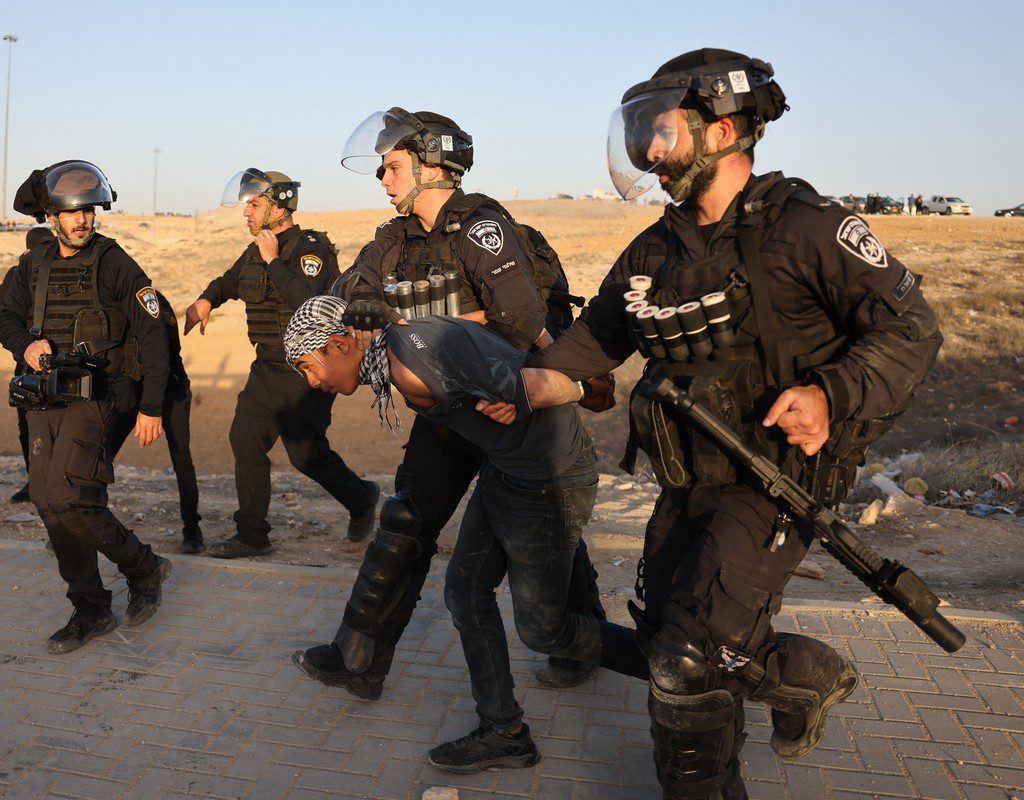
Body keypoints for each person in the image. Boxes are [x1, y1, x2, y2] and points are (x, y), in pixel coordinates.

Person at [509, 49, 943, 798]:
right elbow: (584, 355)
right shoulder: (652, 250)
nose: (648, 150)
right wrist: (514, 389)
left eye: (663, 130)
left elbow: (913, 328)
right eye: (641, 132)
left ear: (725, 127)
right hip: (687, 481)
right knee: (667, 641)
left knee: (688, 659)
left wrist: (831, 395)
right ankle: (809, 678)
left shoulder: (808, 227)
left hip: (775, 481)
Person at [291, 108, 614, 702]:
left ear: (431, 165)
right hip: (446, 413)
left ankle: (577, 642)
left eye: (391, 167)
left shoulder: (482, 229)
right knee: (408, 518)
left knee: (545, 529)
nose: (382, 180)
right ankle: (358, 656)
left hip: (513, 404)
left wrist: (431, 325)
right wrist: (358, 302)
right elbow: (353, 287)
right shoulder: (395, 240)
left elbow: (521, 321)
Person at [284, 297, 648, 772]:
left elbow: (546, 384)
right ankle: (504, 732)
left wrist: (567, 389)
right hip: (506, 469)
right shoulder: (398, 342)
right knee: (464, 591)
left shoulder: (410, 367)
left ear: (338, 344)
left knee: (544, 629)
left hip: (547, 478)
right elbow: (476, 335)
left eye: (310, 367)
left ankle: (674, 669)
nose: (313, 382)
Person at [0, 160, 174, 654]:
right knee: (48, 502)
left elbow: (153, 334)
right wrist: (24, 347)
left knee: (71, 496)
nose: (83, 220)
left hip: (101, 396)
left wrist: (152, 408)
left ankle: (143, 567)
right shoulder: (34, 265)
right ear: (51, 216)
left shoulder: (116, 263)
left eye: (89, 211)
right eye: (72, 213)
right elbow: (6, 316)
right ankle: (91, 607)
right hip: (45, 393)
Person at [184, 169, 378, 559]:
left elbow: (306, 299)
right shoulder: (256, 250)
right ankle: (252, 535)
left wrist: (274, 262)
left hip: (307, 372)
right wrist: (206, 300)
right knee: (244, 439)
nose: (246, 214)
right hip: (265, 368)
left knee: (305, 455)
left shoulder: (310, 248)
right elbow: (228, 281)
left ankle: (361, 498)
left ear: (279, 206)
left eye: (254, 205)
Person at [109, 288, 204, 554]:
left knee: (181, 456)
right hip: (133, 387)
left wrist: (151, 410)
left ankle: (192, 528)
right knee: (102, 452)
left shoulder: (153, 305)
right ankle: (83, 523)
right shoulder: (114, 304)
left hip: (170, 389)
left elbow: (162, 361)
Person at [0, 225, 56, 503]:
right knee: (25, 425)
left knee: (52, 426)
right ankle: (35, 482)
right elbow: (0, 301)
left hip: (53, 363)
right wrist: (22, 265)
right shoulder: (21, 272)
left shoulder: (55, 270)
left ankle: (50, 483)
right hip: (25, 362)